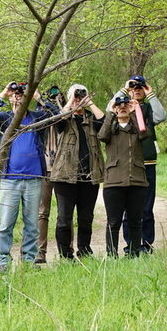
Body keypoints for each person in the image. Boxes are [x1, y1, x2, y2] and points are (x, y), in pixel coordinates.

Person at [0, 81, 57, 272]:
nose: (18, 96)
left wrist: (38, 98)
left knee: (31, 224)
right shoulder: (6, 120)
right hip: (9, 178)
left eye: (21, 93)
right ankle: (3, 263)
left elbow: (56, 115)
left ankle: (29, 261)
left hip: (33, 178)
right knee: (6, 224)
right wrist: (3, 94)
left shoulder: (37, 118)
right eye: (16, 94)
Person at [109, 74, 166, 254]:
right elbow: (108, 110)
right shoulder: (122, 108)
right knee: (128, 209)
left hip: (147, 162)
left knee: (147, 207)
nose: (137, 90)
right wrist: (124, 90)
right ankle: (130, 245)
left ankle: (147, 245)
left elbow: (161, 116)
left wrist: (151, 94)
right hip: (127, 165)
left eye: (140, 87)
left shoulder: (148, 108)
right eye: (134, 87)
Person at [49, 84, 105, 260]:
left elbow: (105, 125)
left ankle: (85, 251)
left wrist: (90, 104)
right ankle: (66, 255)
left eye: (82, 95)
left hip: (89, 177)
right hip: (64, 177)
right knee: (64, 219)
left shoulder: (91, 119)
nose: (79, 98)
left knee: (86, 218)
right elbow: (57, 123)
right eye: (76, 95)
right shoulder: (66, 119)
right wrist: (71, 102)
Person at [98, 95, 151, 257]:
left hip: (137, 181)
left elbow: (145, 133)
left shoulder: (136, 128)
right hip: (114, 182)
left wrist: (135, 112)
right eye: (118, 105)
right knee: (113, 222)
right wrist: (111, 112)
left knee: (135, 221)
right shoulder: (111, 129)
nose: (122, 107)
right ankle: (111, 255)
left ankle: (134, 254)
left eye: (125, 105)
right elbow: (101, 136)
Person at [36, 85, 65, 264]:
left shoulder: (64, 115)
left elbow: (60, 116)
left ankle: (65, 251)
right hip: (44, 169)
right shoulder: (38, 116)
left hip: (63, 169)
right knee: (42, 212)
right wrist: (41, 103)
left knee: (64, 213)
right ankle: (40, 252)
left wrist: (48, 101)